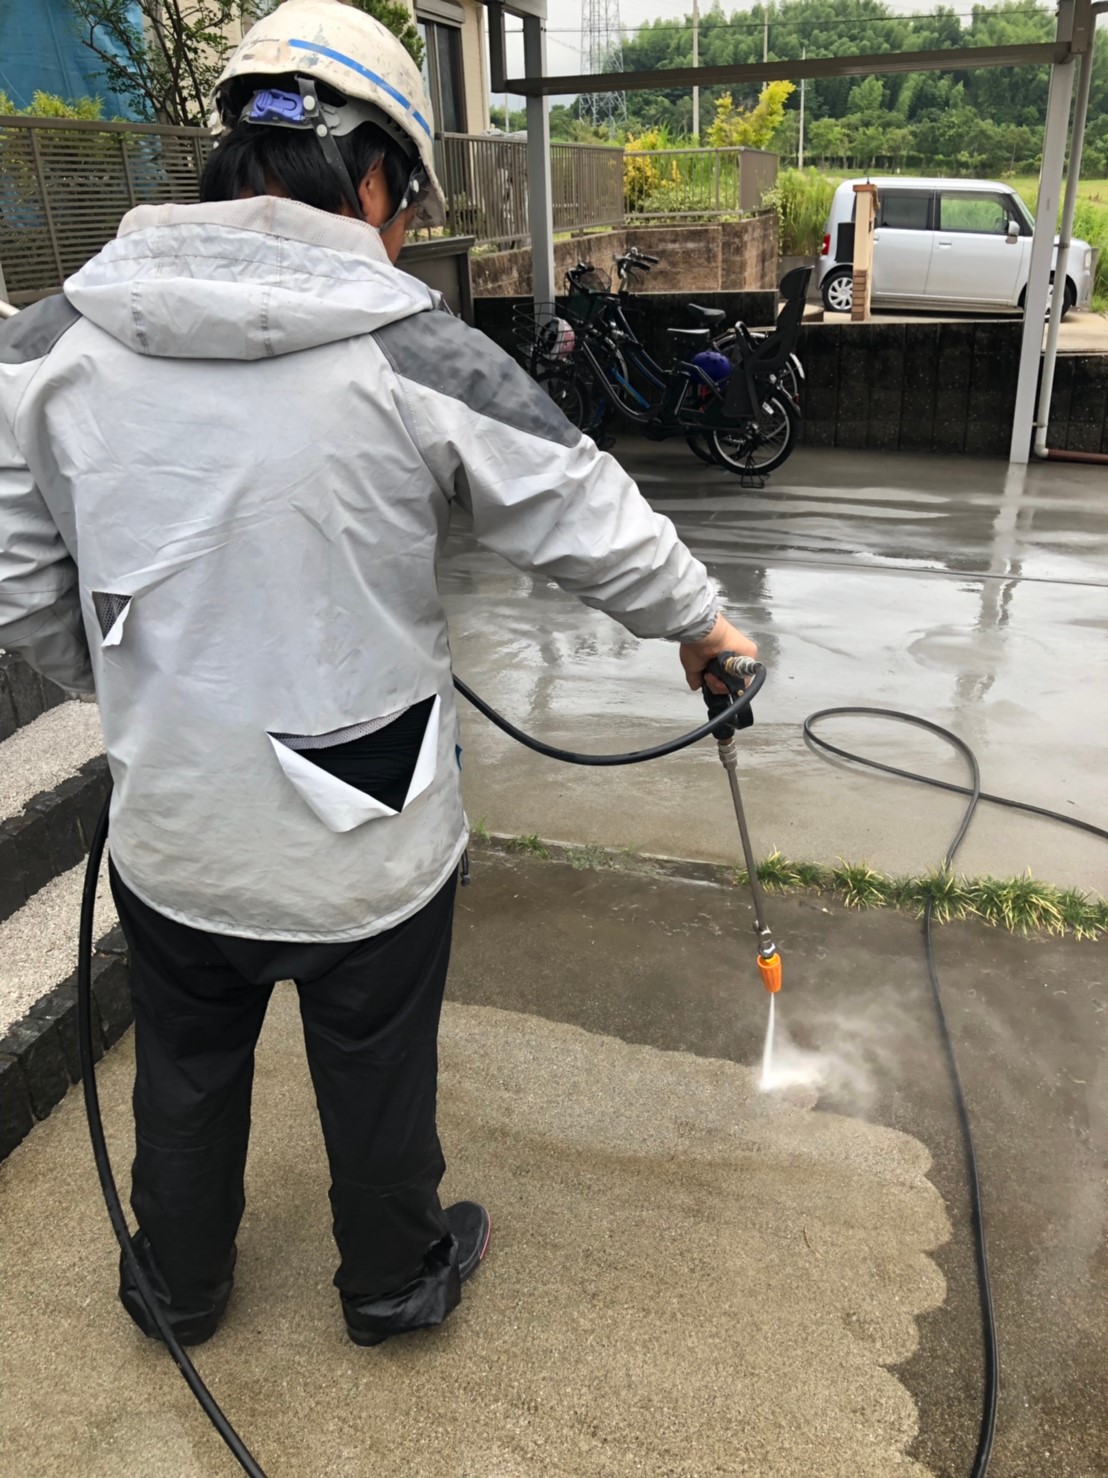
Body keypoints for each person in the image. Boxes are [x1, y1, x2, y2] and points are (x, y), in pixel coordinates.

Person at [0, 0, 757, 1350]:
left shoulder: (52, 343)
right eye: (408, 202)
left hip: (176, 826)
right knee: (374, 1069)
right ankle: (394, 1279)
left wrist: (143, 693)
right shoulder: (413, 348)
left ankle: (179, 1286)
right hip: (368, 823)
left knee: (185, 1067)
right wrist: (702, 625)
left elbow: (19, 590)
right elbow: (578, 504)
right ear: (373, 180)